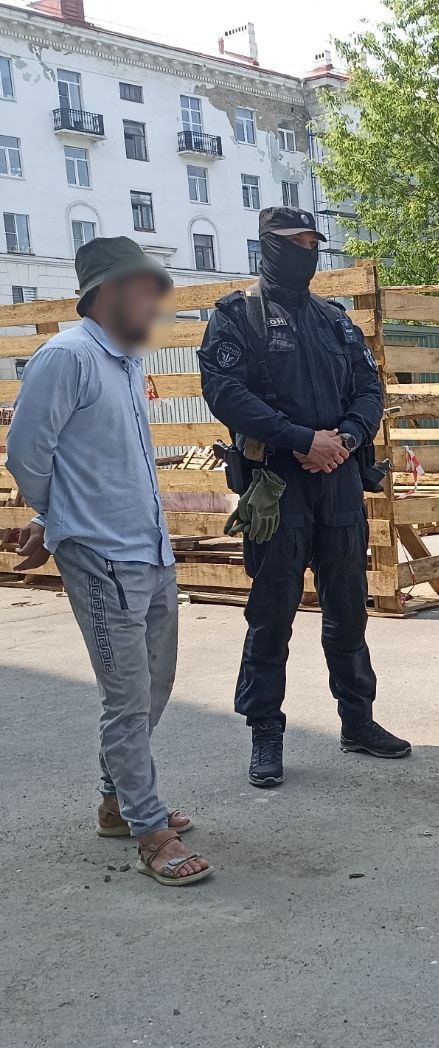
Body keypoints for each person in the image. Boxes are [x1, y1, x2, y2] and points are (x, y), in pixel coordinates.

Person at [6, 237, 211, 886]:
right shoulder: (67, 356)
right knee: (126, 697)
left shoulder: (122, 362)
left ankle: (116, 802)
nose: (154, 304)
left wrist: (49, 517)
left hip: (148, 548)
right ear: (109, 292)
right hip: (100, 556)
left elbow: (95, 459)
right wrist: (61, 519)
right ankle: (149, 831)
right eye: (145, 291)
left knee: (154, 685)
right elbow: (26, 454)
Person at [198, 207, 409, 788]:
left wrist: (345, 440)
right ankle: (265, 731)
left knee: (349, 610)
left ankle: (358, 721)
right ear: (268, 245)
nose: (308, 252)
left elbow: (369, 389)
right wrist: (300, 440)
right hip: (276, 485)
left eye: (314, 243)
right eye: (296, 242)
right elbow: (225, 392)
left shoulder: (335, 320)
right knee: (271, 614)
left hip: (338, 482)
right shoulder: (237, 317)